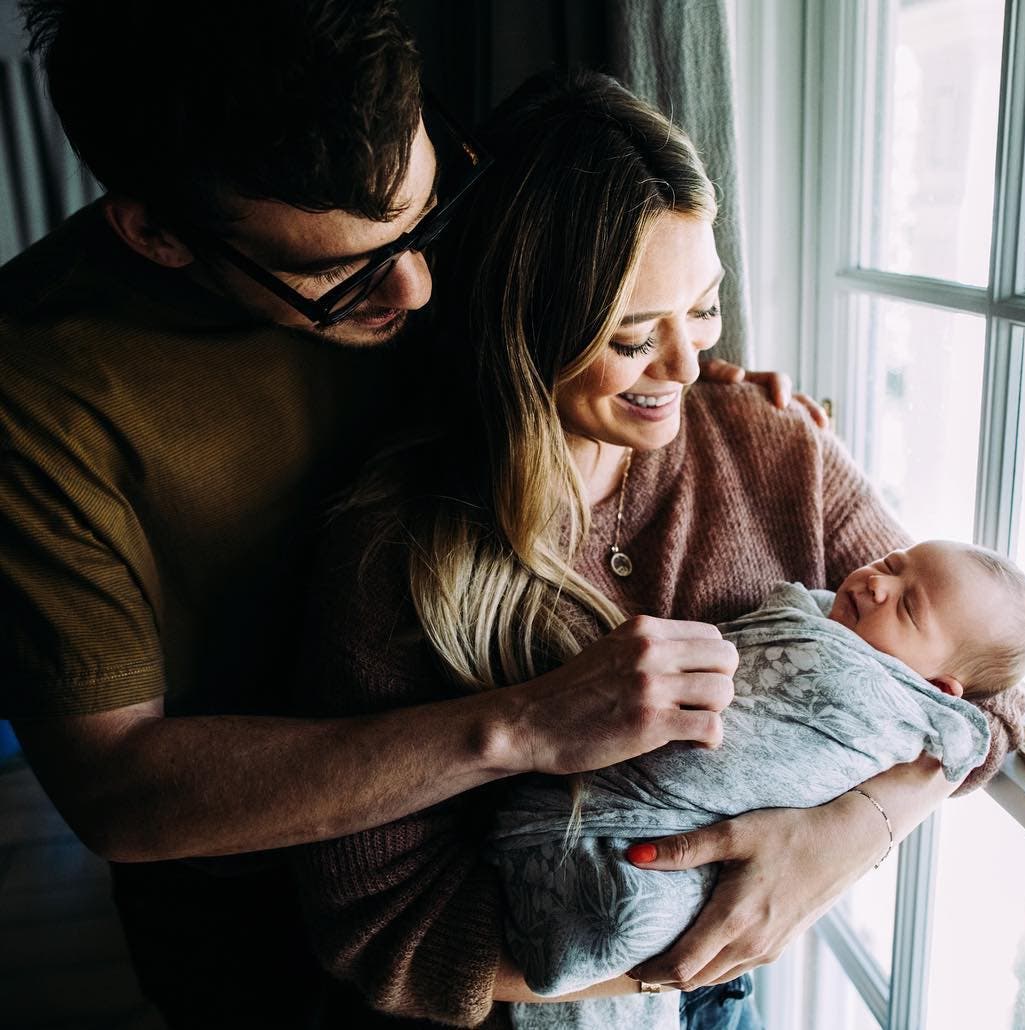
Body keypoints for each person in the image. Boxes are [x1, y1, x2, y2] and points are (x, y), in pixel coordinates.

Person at [1, 4, 800, 1025]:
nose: (420, 284)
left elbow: (550, 316)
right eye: (339, 273)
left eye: (428, 216)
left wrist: (678, 368)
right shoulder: (36, 396)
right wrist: (520, 727)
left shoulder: (399, 165)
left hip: (554, 888)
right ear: (157, 234)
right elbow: (120, 791)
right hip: (280, 932)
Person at [289, 71, 1025, 1029]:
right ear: (524, 325)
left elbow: (989, 686)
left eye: (706, 309)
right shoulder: (396, 550)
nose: (688, 369)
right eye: (635, 336)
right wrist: (668, 964)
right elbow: (384, 928)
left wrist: (846, 835)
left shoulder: (770, 443)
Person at [490, 540, 1025, 1029]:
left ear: (936, 686)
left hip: (718, 977)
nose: (877, 582)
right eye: (890, 562)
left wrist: (864, 825)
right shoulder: (834, 614)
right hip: (580, 933)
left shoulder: (898, 705)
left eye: (906, 606)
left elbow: (992, 715)